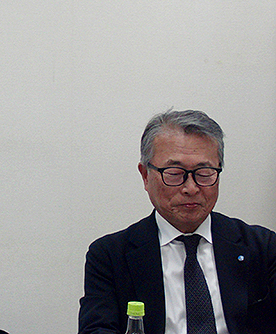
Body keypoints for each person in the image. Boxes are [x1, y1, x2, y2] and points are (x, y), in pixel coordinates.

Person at [79, 109, 276, 334]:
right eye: (174, 173)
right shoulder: (109, 256)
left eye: (204, 173)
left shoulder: (263, 247)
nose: (191, 188)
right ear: (145, 176)